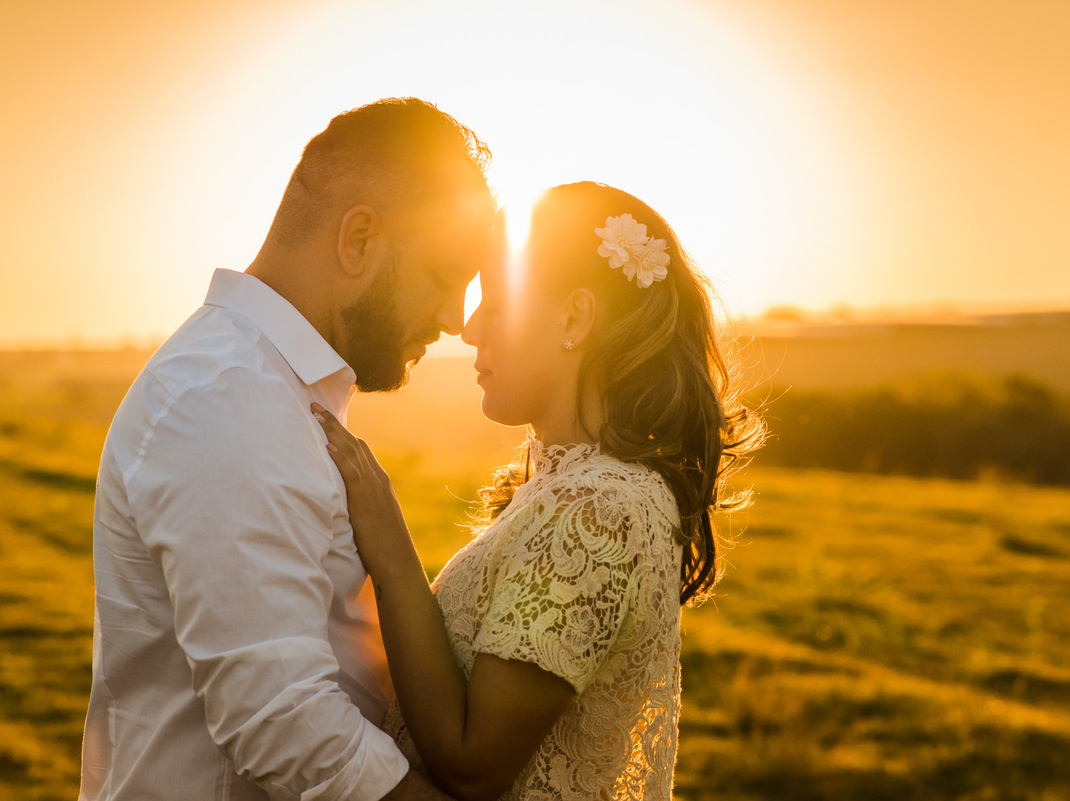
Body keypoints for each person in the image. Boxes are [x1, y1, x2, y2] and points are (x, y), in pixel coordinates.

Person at [80, 97, 499, 801]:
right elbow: (284, 724)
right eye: (443, 274)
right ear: (358, 240)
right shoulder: (227, 396)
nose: (456, 319)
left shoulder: (268, 386)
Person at [312, 181, 765, 800]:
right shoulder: (583, 489)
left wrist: (389, 548)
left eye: (496, 303)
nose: (469, 329)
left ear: (573, 318)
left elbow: (472, 765)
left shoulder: (596, 509)